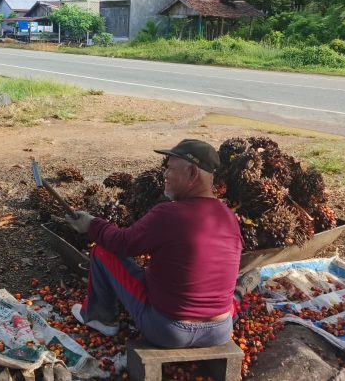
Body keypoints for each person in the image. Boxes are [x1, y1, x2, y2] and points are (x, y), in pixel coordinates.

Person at [65, 139, 242, 348]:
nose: (165, 175)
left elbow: (122, 244)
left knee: (102, 252)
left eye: (170, 168)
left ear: (193, 173)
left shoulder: (170, 213)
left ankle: (101, 318)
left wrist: (92, 224)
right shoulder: (229, 217)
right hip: (219, 331)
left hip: (170, 331)